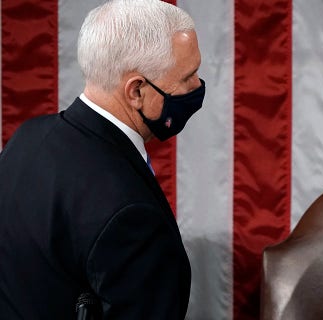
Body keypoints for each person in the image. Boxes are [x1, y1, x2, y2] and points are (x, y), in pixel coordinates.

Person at [0, 0, 205, 318]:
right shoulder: (132, 215)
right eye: (188, 77)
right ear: (136, 91)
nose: (197, 86)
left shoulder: (29, 136)